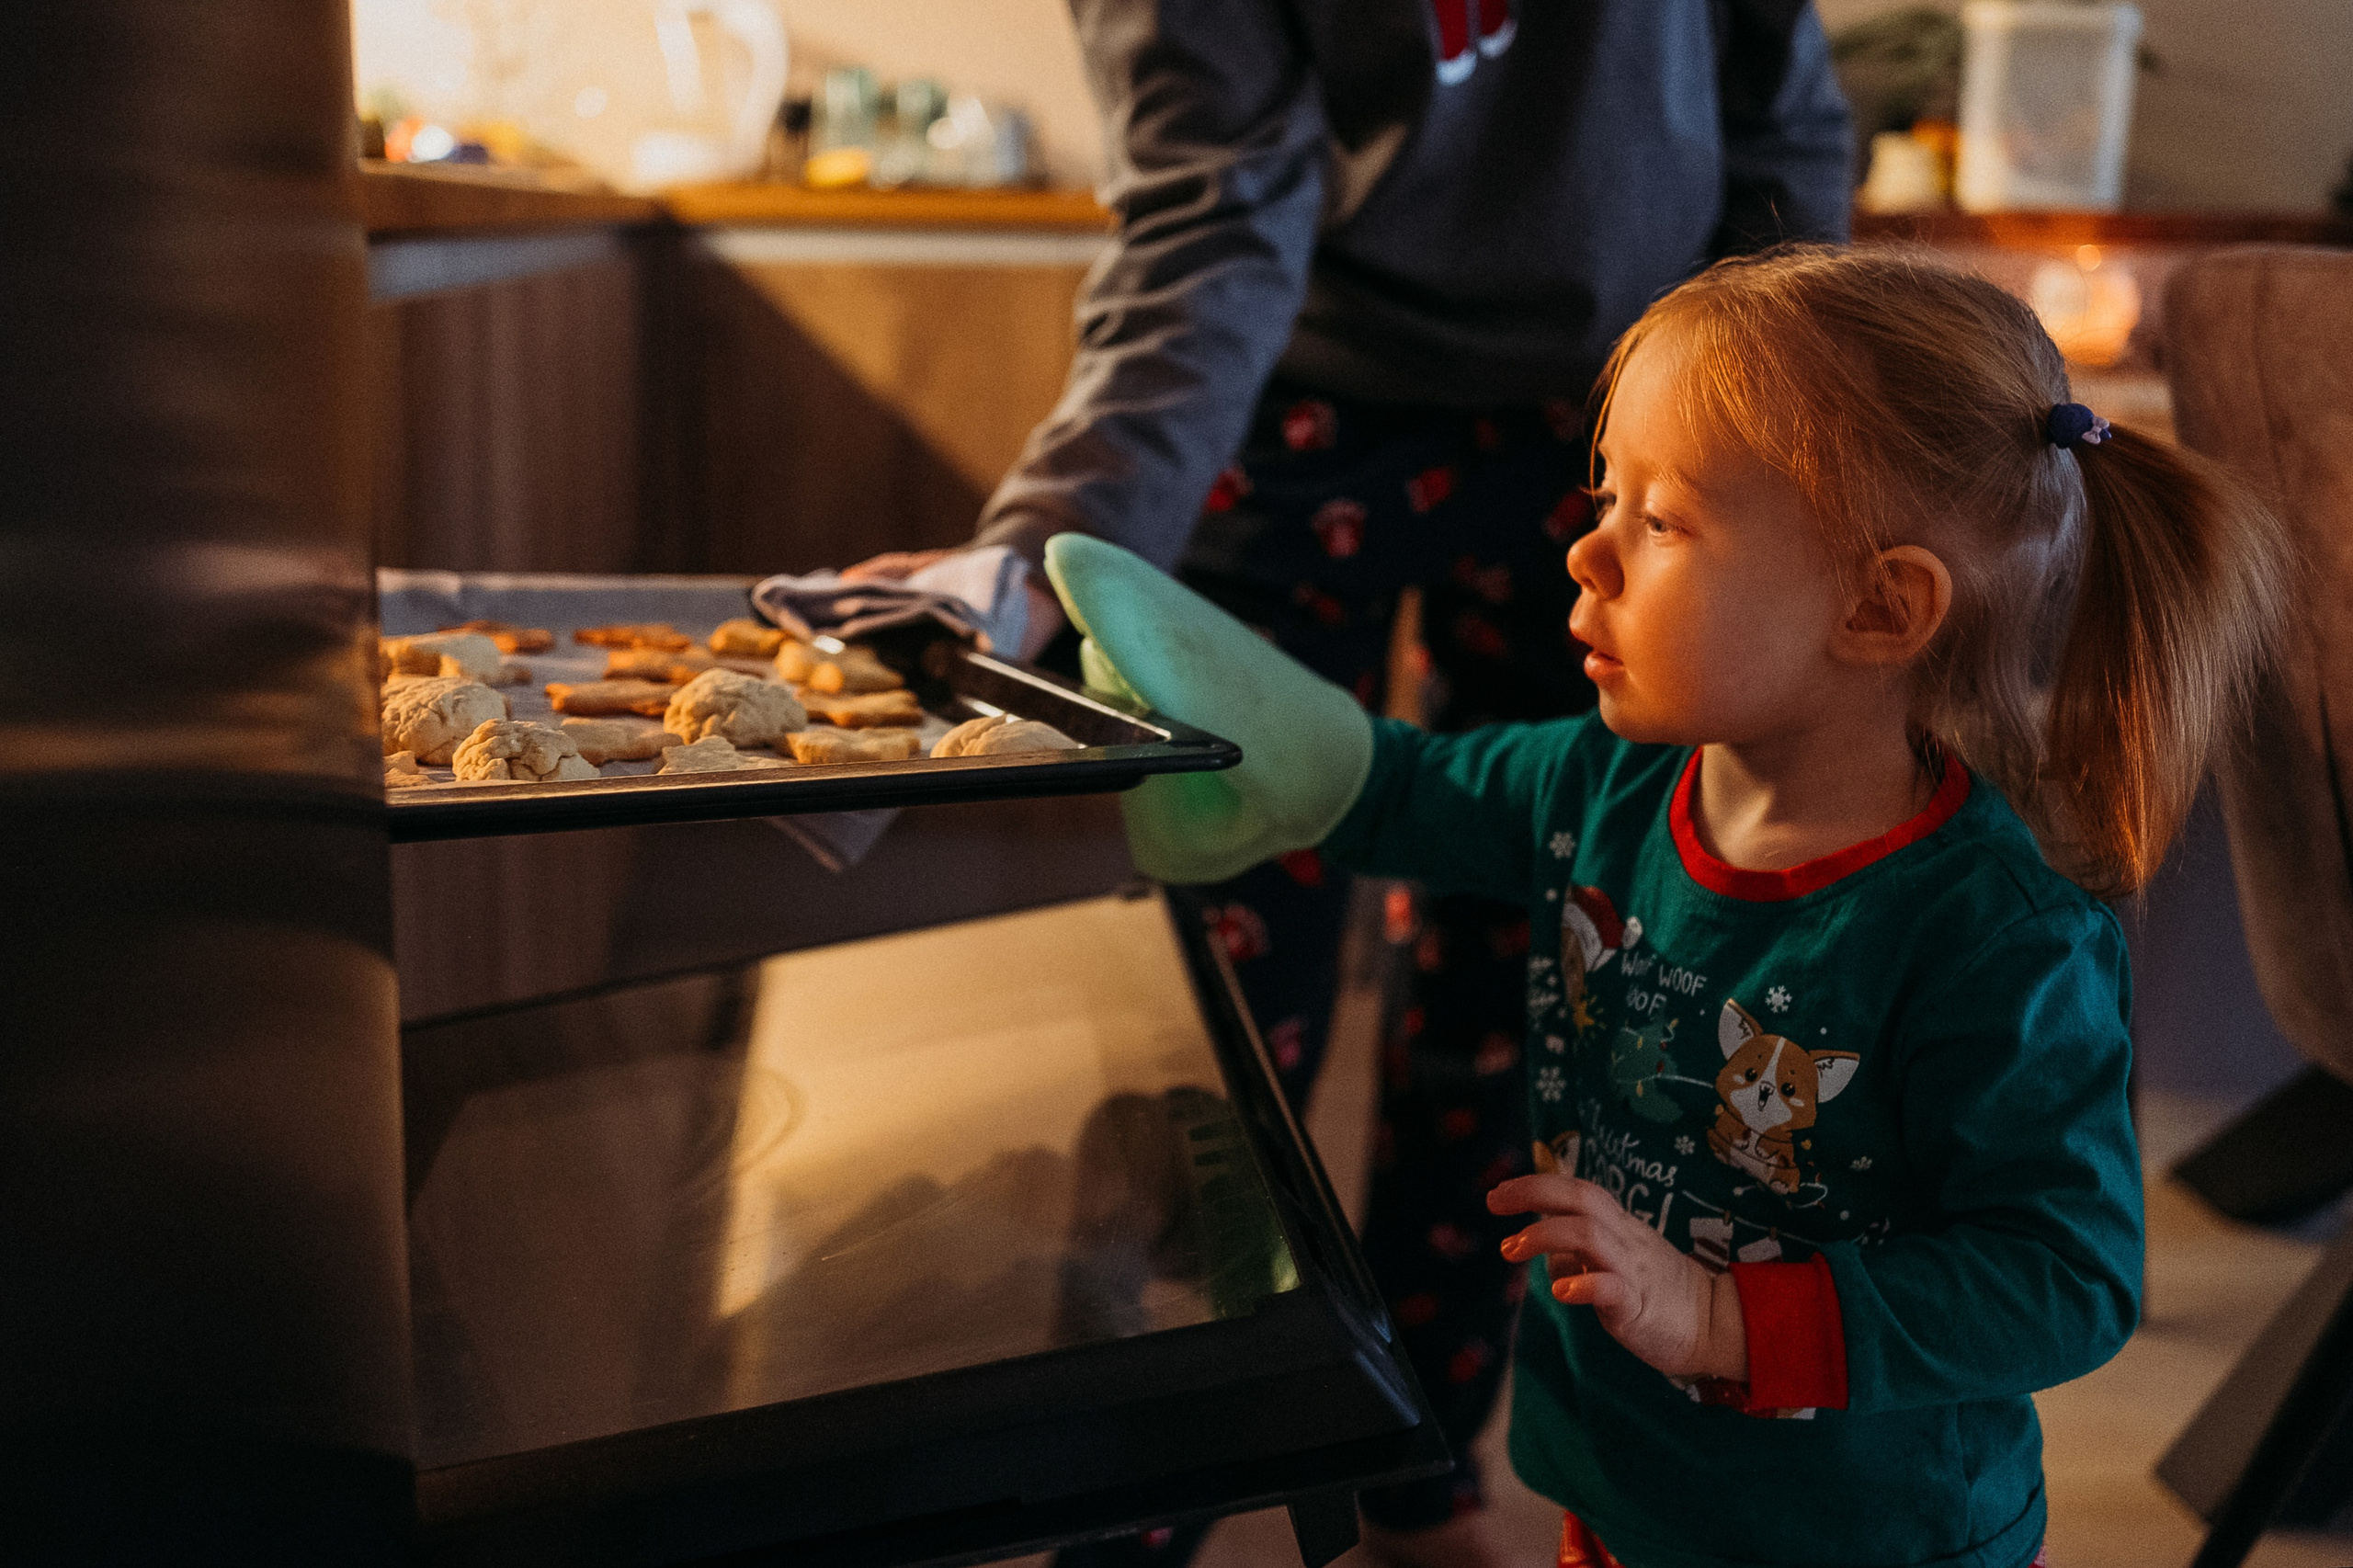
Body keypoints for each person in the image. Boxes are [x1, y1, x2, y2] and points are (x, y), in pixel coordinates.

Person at [1041, 244, 2293, 1568]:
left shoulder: (1997, 930)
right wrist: (1226, 704)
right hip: (1627, 1484)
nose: (1584, 554)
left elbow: (2065, 1272)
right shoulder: (1612, 779)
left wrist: (1719, 1317)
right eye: (1605, 497)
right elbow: (1392, 787)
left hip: (1870, 1534)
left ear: (1880, 605)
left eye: (1664, 521)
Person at [852, 8, 1853, 1559]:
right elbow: (1209, 213)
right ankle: (1147, 1494)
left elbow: (1782, 132)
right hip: (1293, 391)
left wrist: (1743, 443)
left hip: (1625, 414)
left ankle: (1415, 1456)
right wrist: (1038, 537)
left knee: (1542, 979)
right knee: (1214, 995)